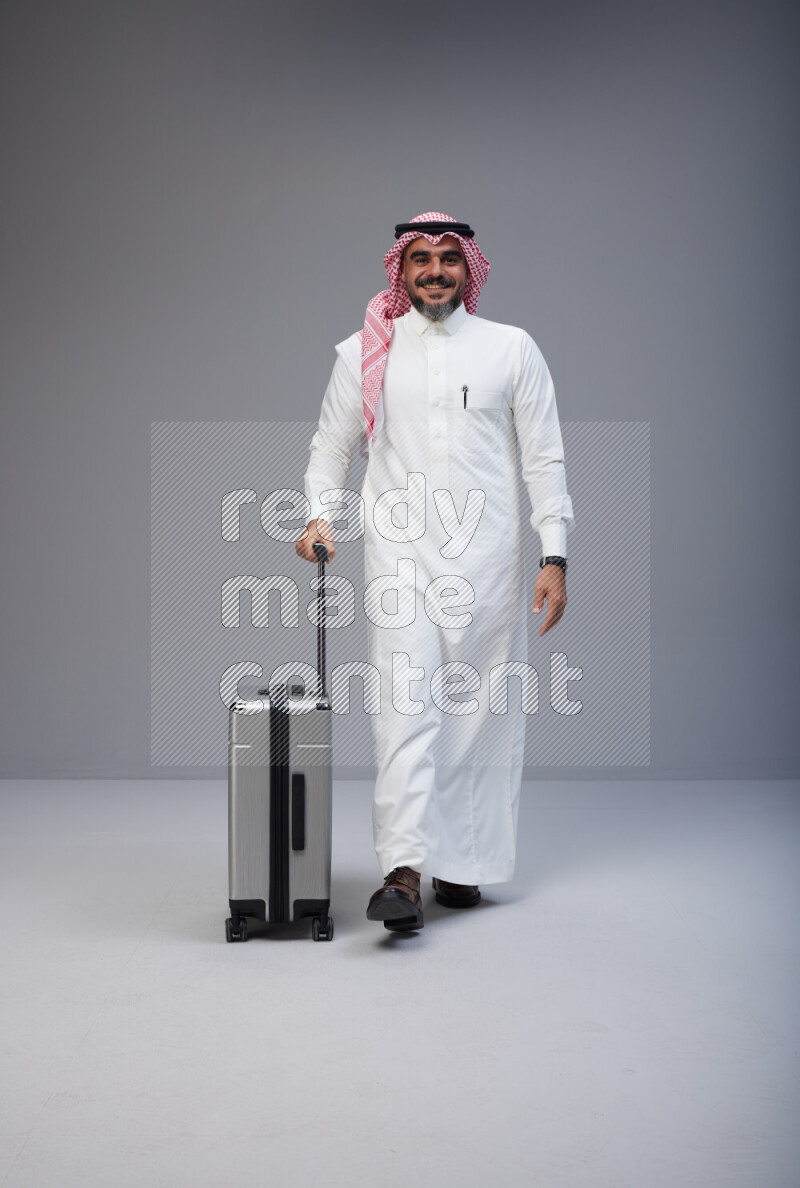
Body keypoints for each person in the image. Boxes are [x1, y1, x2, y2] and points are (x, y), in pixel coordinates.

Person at [297, 211, 574, 932]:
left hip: (489, 560)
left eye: (449, 258)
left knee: (479, 715)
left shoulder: (511, 350)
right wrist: (320, 514)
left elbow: (544, 458)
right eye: (420, 258)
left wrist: (555, 556)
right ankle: (403, 872)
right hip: (399, 558)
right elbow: (331, 448)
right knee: (402, 707)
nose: (435, 271)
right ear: (400, 268)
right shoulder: (364, 351)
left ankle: (464, 865)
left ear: (468, 267)